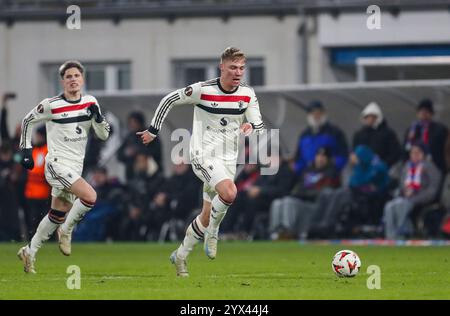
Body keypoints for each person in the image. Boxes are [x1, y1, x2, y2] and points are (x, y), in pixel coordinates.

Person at [137, 47, 265, 276]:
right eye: (233, 67)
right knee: (229, 193)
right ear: (222, 66)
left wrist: (250, 126)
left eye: (241, 68)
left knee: (206, 214)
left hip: (227, 160)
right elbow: (169, 99)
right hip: (201, 156)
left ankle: (181, 256)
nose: (237, 72)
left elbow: (259, 124)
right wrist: (154, 130)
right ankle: (214, 232)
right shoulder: (202, 90)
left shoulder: (247, 94)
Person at [17, 60, 111, 273]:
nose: (73, 80)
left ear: (82, 79)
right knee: (90, 196)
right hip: (56, 164)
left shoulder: (90, 103)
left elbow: (104, 134)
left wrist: (98, 118)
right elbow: (27, 120)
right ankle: (67, 231)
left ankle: (29, 251)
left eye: (76, 76)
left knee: (56, 213)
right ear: (63, 81)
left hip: (75, 167)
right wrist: (26, 150)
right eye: (68, 77)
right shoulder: (52, 104)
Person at [383, 143, 441, 240]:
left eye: (417, 152)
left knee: (403, 205)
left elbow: (432, 189)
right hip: (406, 197)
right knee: (389, 206)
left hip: (421, 197)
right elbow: (402, 184)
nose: (414, 155)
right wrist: (405, 191)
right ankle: (390, 235)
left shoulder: (430, 167)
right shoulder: (407, 167)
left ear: (423, 154)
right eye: (412, 153)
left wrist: (415, 197)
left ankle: (402, 233)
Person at [293, 100, 348, 176]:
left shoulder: (335, 132)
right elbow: (299, 158)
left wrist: (332, 167)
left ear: (323, 114)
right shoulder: (304, 134)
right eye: (313, 114)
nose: (316, 116)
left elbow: (343, 154)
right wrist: (299, 170)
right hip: (308, 176)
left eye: (318, 113)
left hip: (328, 176)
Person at [404, 98, 448, 175]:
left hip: (436, 168)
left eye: (426, 111)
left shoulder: (441, 130)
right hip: (414, 169)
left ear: (431, 113)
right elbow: (405, 148)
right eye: (421, 111)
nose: (423, 114)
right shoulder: (412, 129)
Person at [352, 102, 402, 168]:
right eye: (366, 117)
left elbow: (395, 153)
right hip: (362, 171)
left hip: (382, 171)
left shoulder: (388, 134)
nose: (368, 119)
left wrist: (383, 165)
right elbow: (354, 152)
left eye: (371, 116)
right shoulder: (359, 134)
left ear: (378, 117)